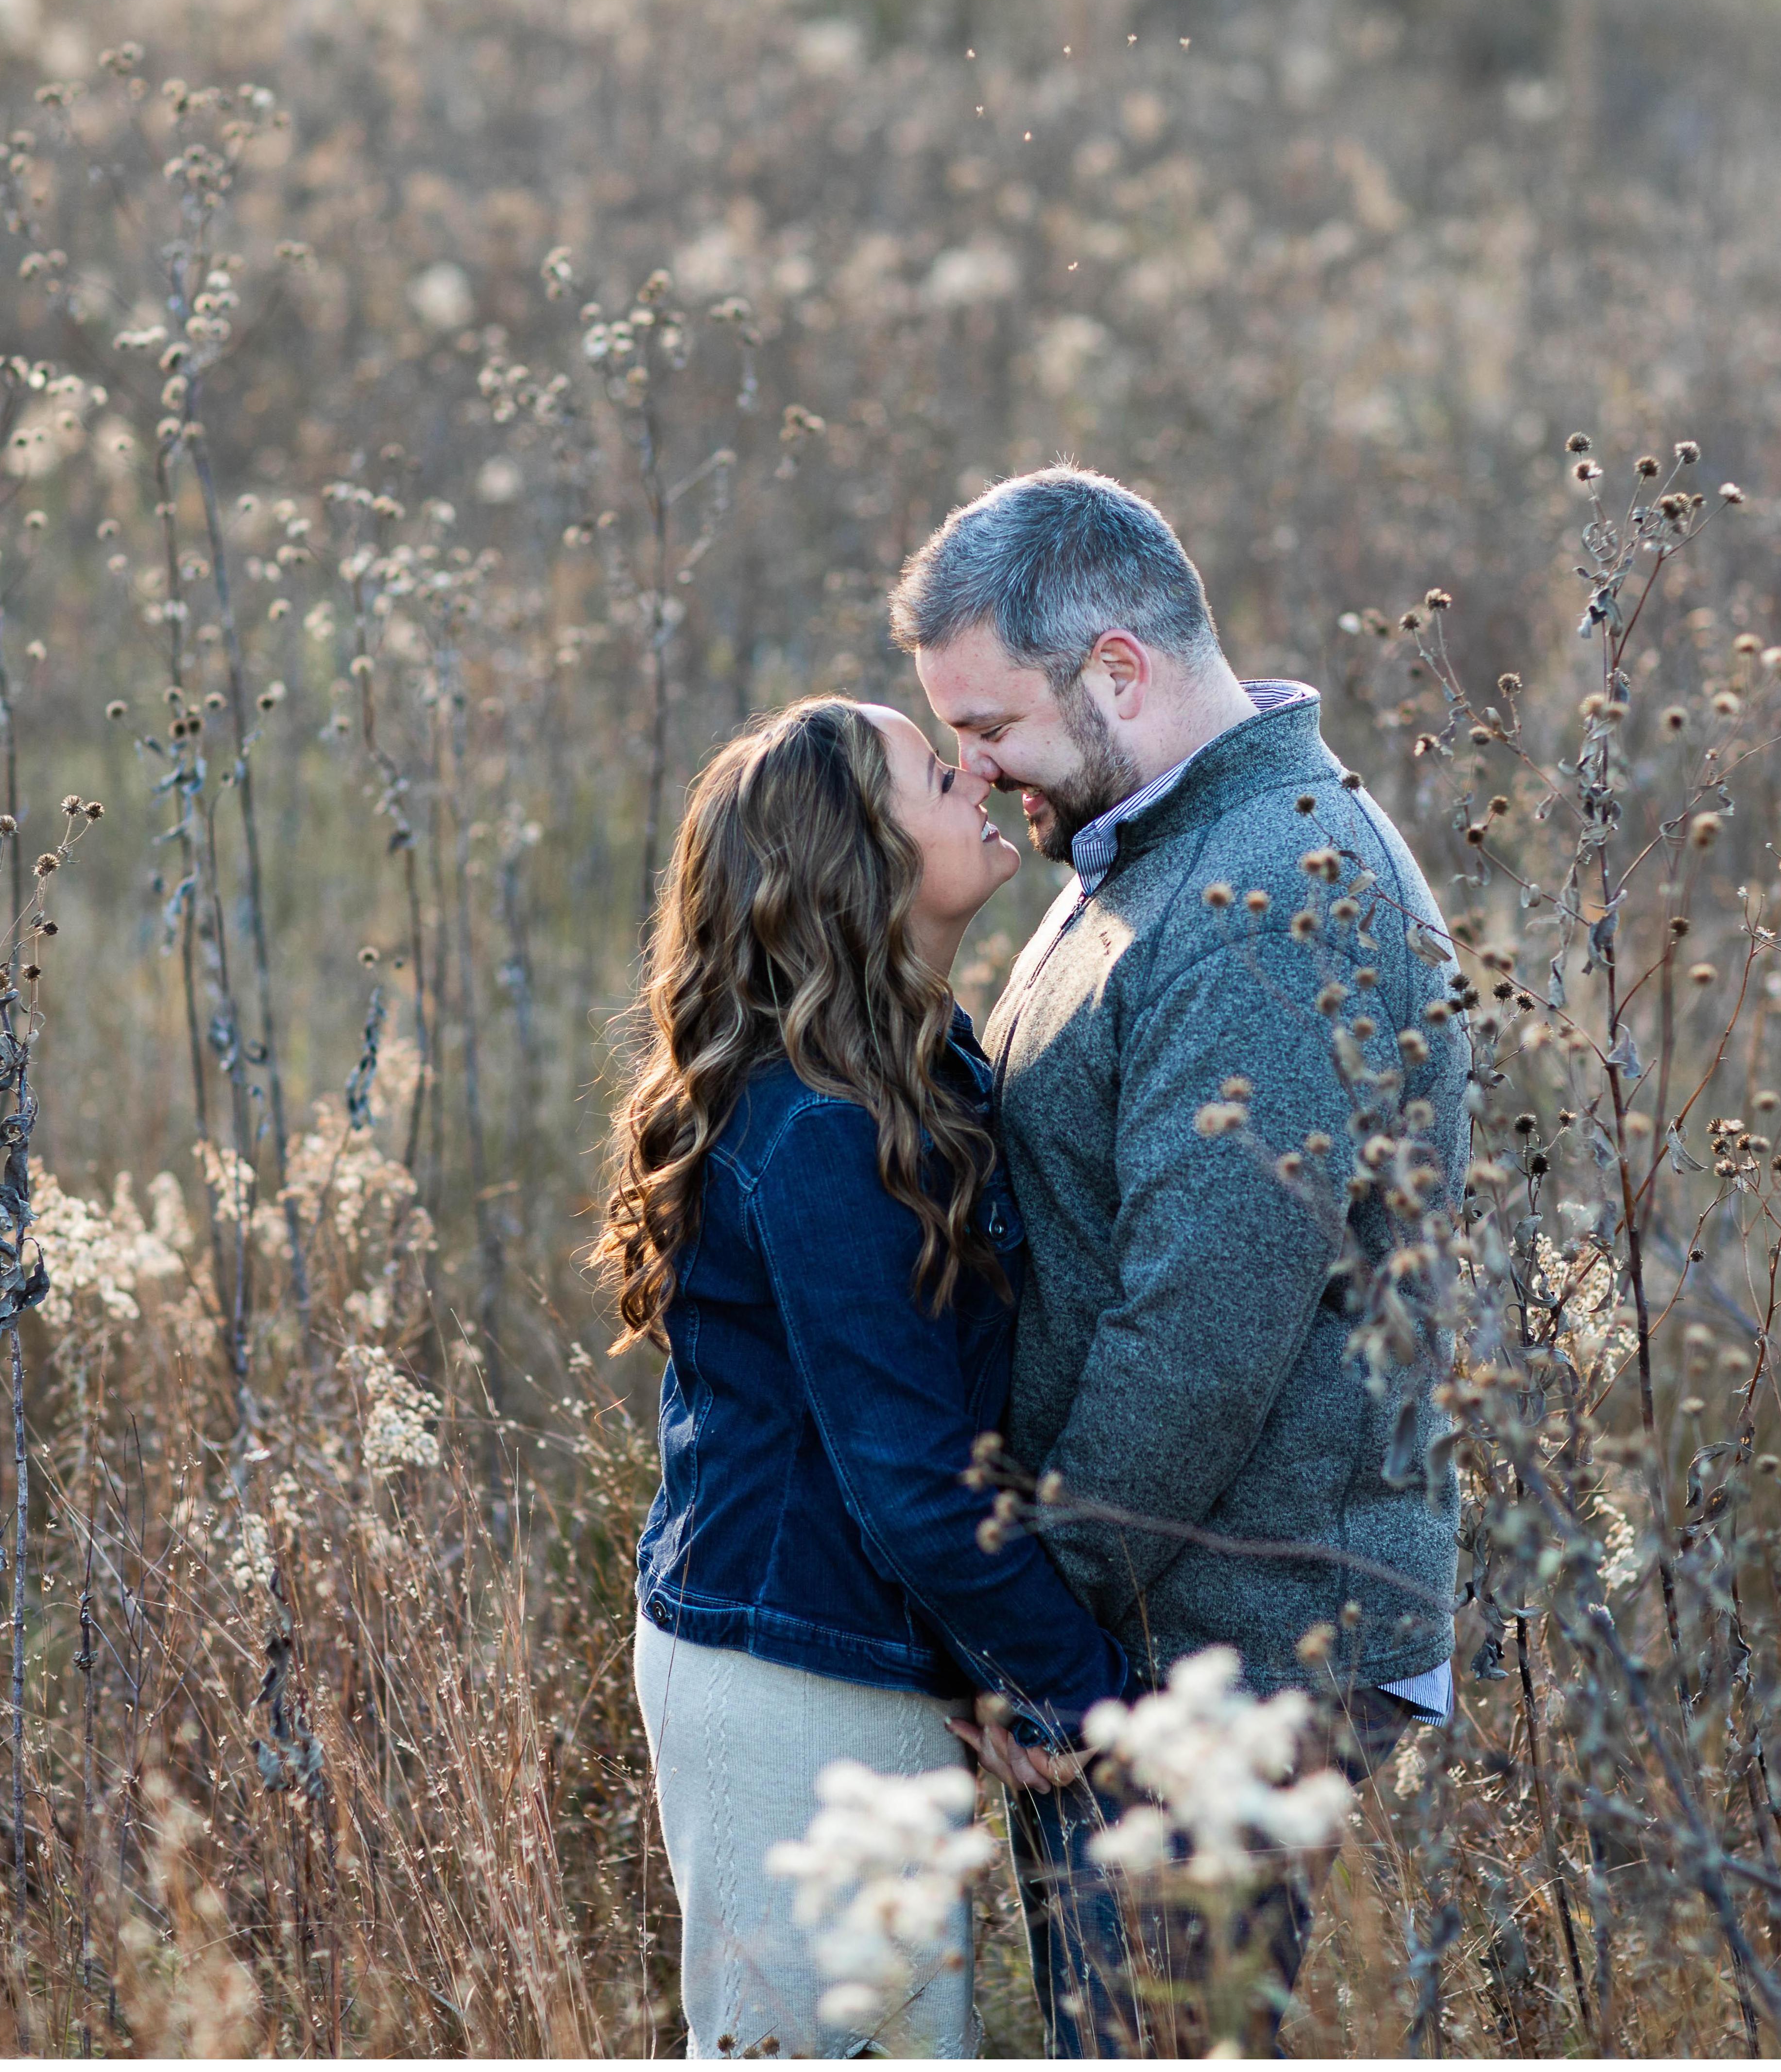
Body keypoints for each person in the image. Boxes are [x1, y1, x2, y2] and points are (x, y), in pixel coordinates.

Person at [892, 464, 1467, 2056]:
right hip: (1156, 1631)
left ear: (1119, 672)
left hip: (1236, 1648)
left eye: (993, 727)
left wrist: (1036, 1624)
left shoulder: (1269, 887)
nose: (977, 769)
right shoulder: (1155, 855)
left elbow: (1203, 1323)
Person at [596, 695, 1138, 2060]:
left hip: (861, 1656)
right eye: (930, 770)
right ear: (862, 858)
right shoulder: (824, 1127)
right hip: (789, 1680)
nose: (975, 777)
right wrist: (1081, 1694)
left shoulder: (915, 1068)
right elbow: (907, 1477)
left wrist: (988, 1670)